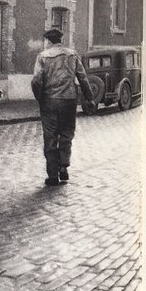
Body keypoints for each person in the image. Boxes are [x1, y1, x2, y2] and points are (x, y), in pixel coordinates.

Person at [31, 28, 95, 186]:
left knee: (50, 136)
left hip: (50, 101)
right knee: (66, 134)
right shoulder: (72, 55)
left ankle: (52, 175)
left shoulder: (43, 56)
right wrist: (89, 98)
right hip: (69, 100)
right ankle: (64, 167)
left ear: (48, 41)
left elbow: (36, 80)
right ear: (61, 39)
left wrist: (40, 97)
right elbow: (83, 78)